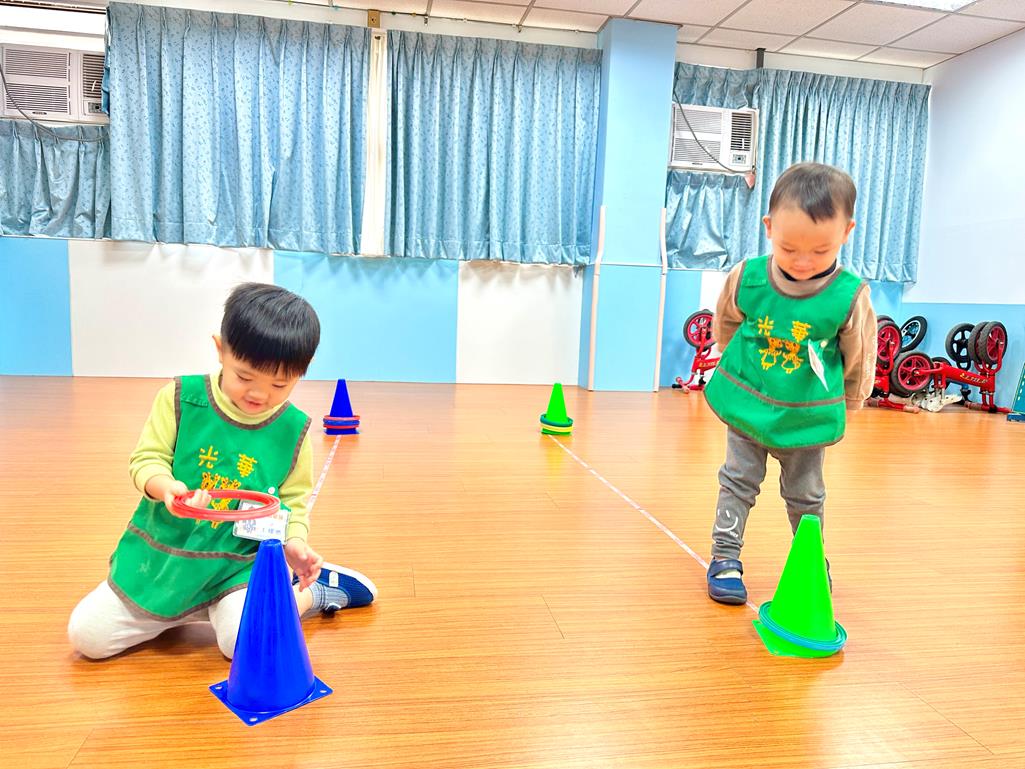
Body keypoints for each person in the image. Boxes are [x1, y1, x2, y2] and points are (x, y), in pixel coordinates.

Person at [68, 282, 377, 657]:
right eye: (244, 377)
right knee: (87, 637)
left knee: (243, 646)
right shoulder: (181, 398)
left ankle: (311, 594)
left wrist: (295, 543)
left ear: (302, 372)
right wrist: (166, 488)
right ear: (220, 349)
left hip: (236, 567)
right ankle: (175, 614)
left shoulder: (293, 429)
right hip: (164, 560)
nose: (259, 394)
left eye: (279, 384)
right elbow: (146, 459)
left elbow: (294, 502)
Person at [703, 162, 877, 605]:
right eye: (788, 248)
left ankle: (809, 563)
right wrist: (736, 367)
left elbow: (859, 351)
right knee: (737, 480)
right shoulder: (749, 276)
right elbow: (727, 322)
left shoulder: (849, 295)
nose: (802, 262)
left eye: (820, 250)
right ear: (768, 228)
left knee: (806, 494)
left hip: (804, 416)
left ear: (846, 232)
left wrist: (852, 399)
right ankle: (725, 557)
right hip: (749, 405)